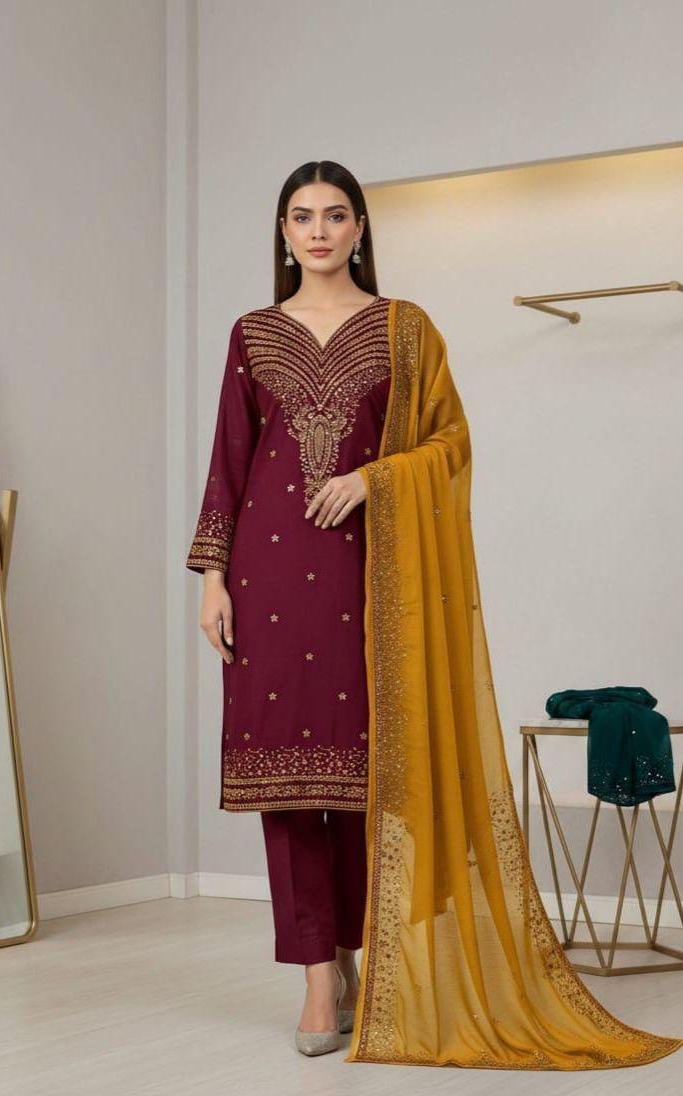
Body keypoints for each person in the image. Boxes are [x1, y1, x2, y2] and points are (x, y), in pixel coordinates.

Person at [186, 160, 683, 1069]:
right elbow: (230, 456)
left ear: (361, 228)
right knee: (286, 786)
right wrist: (212, 577)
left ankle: (357, 952)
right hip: (266, 577)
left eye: (336, 215)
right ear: (283, 234)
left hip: (368, 579)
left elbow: (451, 443)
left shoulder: (403, 329)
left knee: (365, 777)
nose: (319, 231)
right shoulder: (252, 333)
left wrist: (375, 478)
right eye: (302, 217)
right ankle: (317, 976)